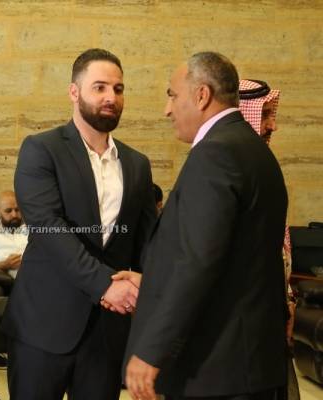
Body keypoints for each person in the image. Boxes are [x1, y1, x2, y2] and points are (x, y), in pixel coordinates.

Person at [122, 52, 288, 400]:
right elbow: (230, 256)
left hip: (218, 369)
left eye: (172, 95)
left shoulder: (215, 154)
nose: (167, 109)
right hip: (248, 364)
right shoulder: (251, 148)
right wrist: (152, 281)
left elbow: (198, 261)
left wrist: (152, 350)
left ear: (201, 95)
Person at [2, 48, 157, 399]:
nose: (111, 97)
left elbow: (147, 239)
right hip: (43, 324)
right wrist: (105, 285)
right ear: (74, 92)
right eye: (99, 87)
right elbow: (48, 227)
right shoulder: (41, 149)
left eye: (118, 89)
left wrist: (146, 285)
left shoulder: (137, 164)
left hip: (108, 331)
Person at [238, 78, 300, 400]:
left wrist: (288, 302)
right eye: (264, 115)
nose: (272, 125)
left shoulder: (264, 167)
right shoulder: (231, 172)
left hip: (271, 316)